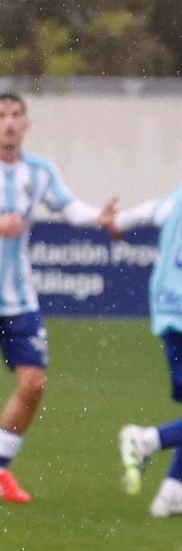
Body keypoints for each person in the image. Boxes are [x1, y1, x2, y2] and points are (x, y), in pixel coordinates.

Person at [0, 92, 115, 506]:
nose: (9, 122)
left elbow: (68, 207)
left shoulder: (39, 171)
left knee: (33, 383)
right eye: (1, 115)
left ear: (26, 124)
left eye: (16, 115)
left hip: (21, 300)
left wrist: (98, 217)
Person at [107, 188, 182, 516]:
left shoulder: (175, 199)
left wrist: (115, 222)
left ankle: (172, 492)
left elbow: (133, 218)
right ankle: (147, 440)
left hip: (168, 313)